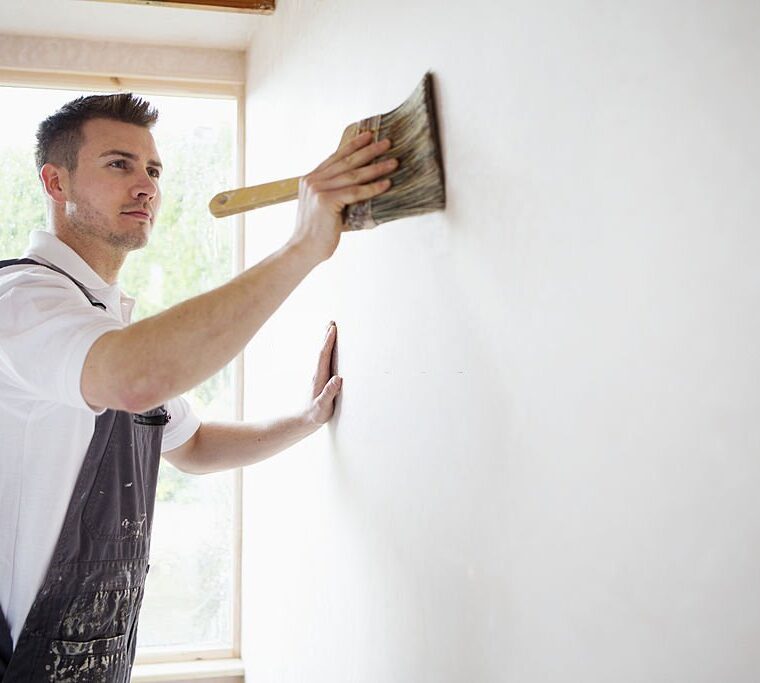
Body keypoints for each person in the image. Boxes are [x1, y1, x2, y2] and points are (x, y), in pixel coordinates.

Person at [0, 93, 397, 681]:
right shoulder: (24, 304)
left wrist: (307, 419)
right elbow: (136, 379)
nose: (146, 186)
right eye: (119, 164)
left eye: (153, 169)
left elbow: (197, 445)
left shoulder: (105, 324)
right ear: (55, 182)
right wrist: (302, 247)